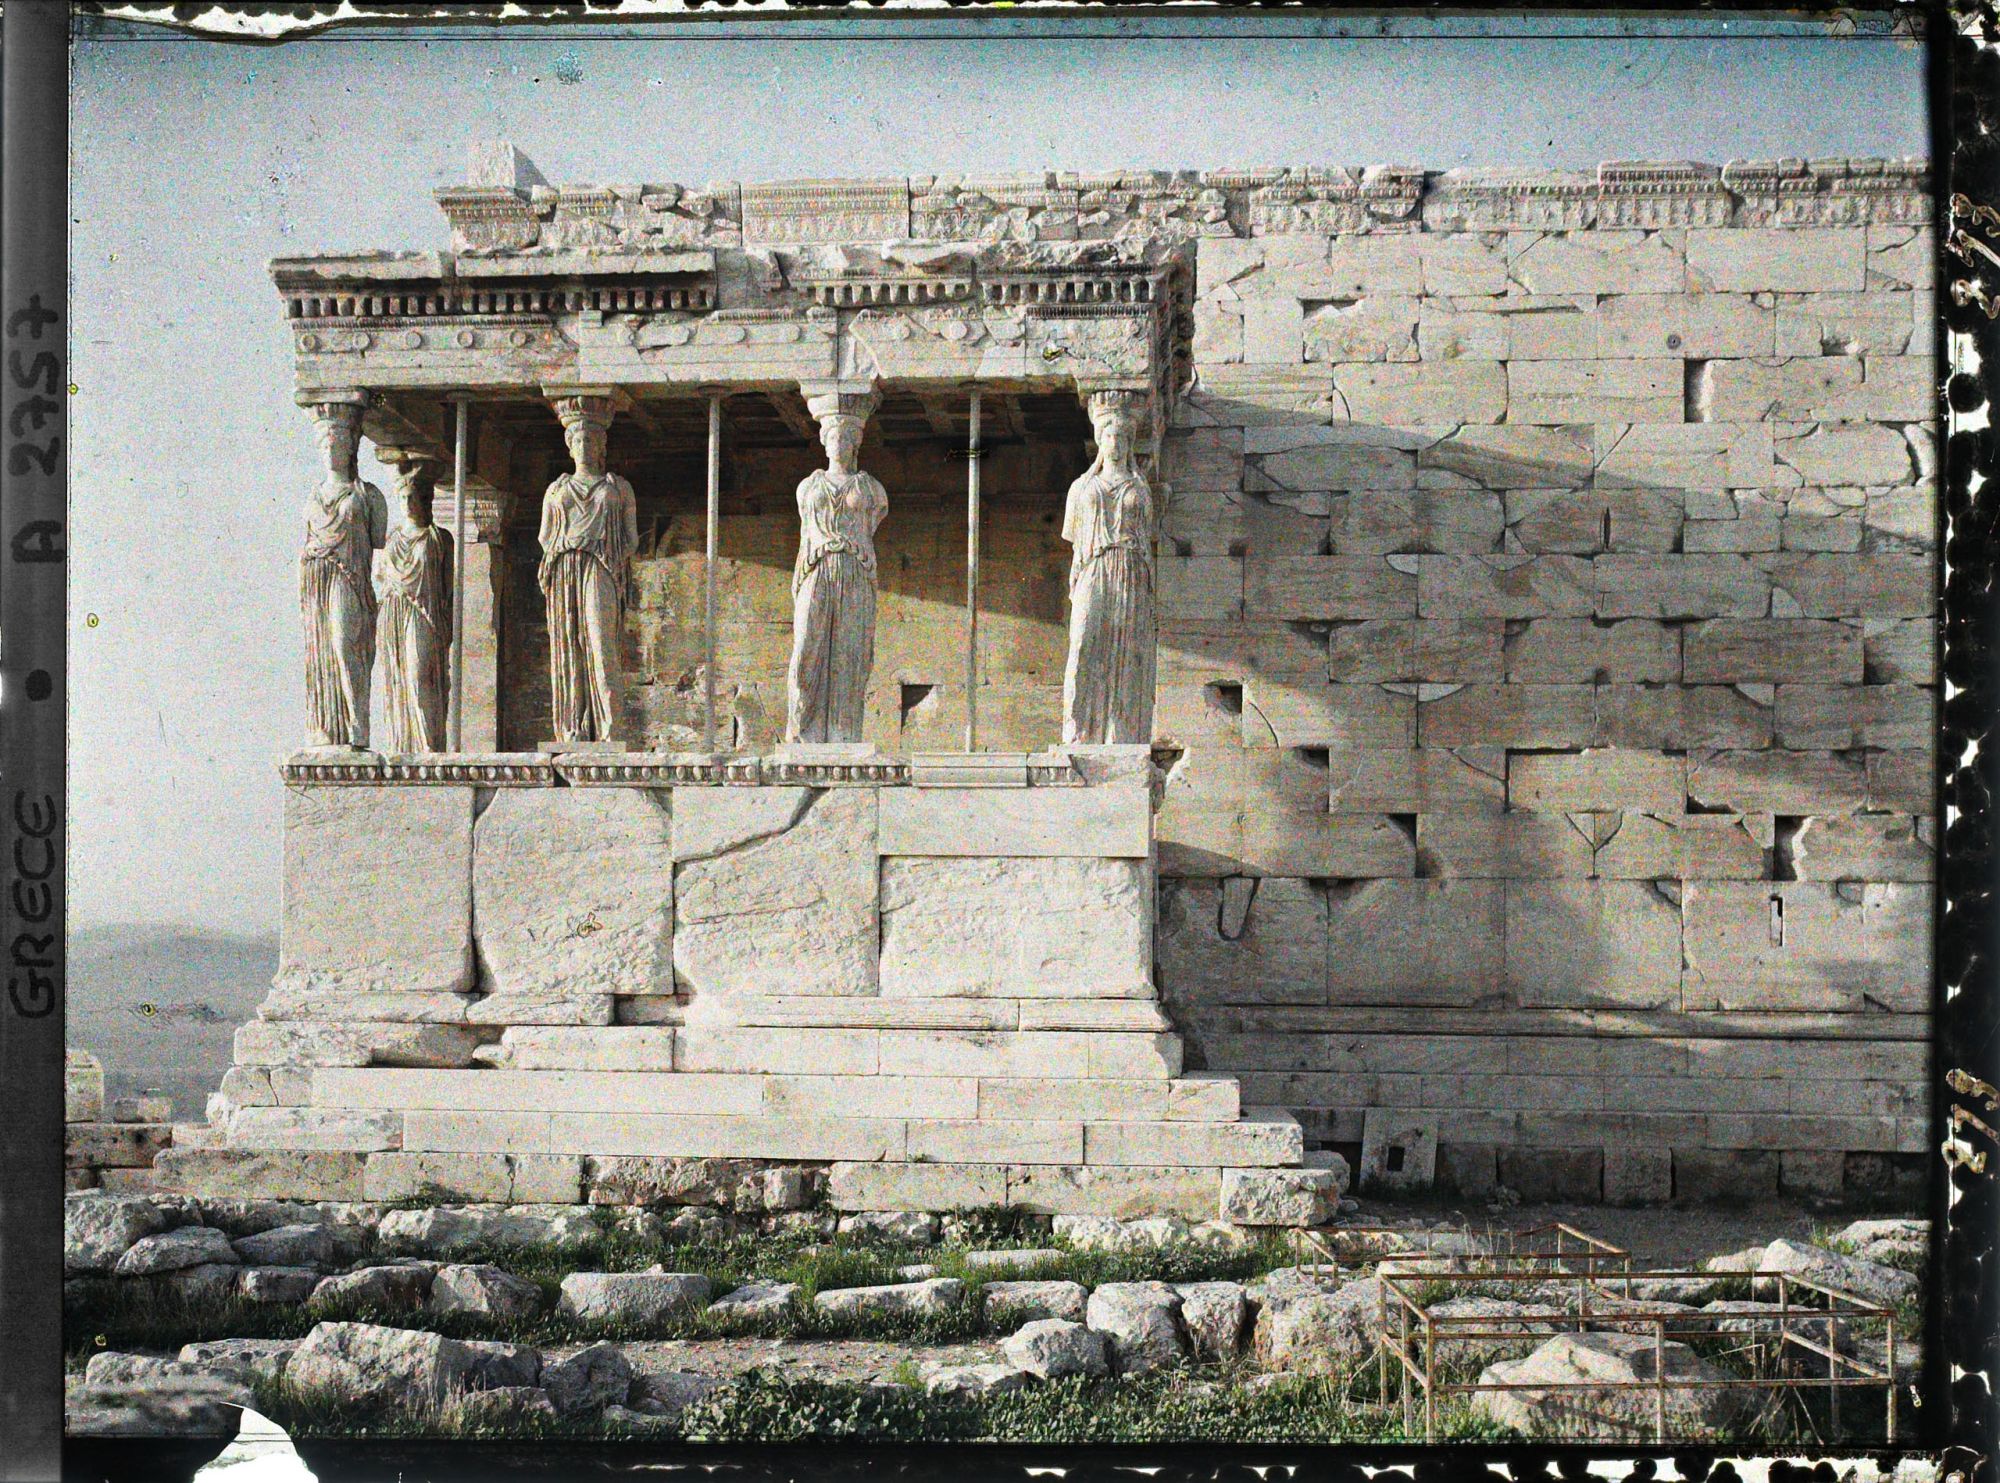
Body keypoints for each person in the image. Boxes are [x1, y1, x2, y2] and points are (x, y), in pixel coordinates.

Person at [786, 395, 888, 744]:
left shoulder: (871, 489)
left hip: (854, 568)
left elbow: (873, 522)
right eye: (832, 437)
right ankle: (803, 732)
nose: (838, 445)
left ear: (855, 442)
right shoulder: (808, 487)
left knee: (849, 651)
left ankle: (844, 734)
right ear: (823, 441)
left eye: (845, 438)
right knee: (806, 648)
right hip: (816, 567)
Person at [538, 396, 638, 744]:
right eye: (578, 440)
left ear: (602, 445)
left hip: (601, 566)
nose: (585, 446)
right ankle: (573, 729)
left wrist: (604, 550)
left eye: (591, 440)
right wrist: (568, 547)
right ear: (569, 445)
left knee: (600, 644)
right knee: (569, 645)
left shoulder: (618, 487)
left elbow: (631, 539)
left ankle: (612, 730)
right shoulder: (557, 490)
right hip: (565, 567)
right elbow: (545, 536)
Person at [1061, 392, 1157, 746]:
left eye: (1121, 437)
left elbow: (1147, 535)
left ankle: (1121, 734)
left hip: (1130, 569)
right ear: (1100, 440)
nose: (1115, 443)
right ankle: (1078, 731)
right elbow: (1074, 539)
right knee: (1084, 642)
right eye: (1109, 435)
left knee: (1126, 649)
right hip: (1094, 568)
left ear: (1130, 443)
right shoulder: (1081, 487)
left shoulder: (1139, 488)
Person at [299, 399, 388, 750]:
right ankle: (329, 729)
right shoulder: (313, 496)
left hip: (348, 576)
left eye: (337, 445)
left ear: (350, 448)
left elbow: (378, 543)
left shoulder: (367, 495)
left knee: (344, 643)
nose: (331, 452)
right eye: (325, 446)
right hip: (315, 578)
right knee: (322, 649)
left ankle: (359, 722)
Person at [377, 459, 454, 753]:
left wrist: (446, 625)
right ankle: (405, 745)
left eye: (414, 496)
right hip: (395, 612)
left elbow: (450, 588)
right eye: (403, 497)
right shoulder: (390, 540)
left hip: (426, 614)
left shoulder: (439, 538)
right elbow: (380, 579)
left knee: (420, 675)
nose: (408, 503)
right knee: (399, 678)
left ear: (426, 499)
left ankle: (430, 745)